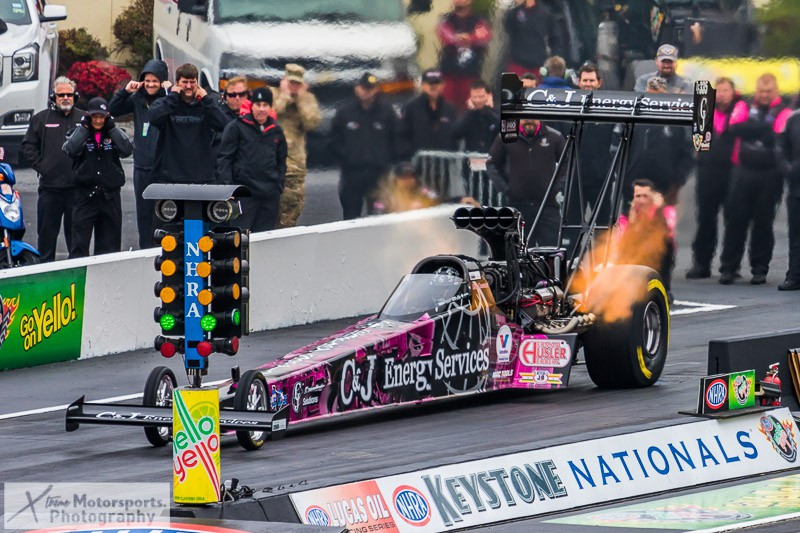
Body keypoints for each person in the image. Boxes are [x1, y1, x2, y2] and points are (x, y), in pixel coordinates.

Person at [719, 73, 792, 285]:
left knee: (763, 223)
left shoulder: (784, 111)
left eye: (768, 92)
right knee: (735, 220)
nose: (764, 95)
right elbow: (734, 127)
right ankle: (729, 268)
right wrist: (761, 129)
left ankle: (759, 269)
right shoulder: (745, 106)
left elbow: (777, 136)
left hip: (771, 174)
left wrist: (750, 130)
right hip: (743, 170)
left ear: (775, 91)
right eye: (761, 91)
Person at [687, 77, 749, 279]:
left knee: (735, 219)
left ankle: (730, 267)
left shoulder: (742, 110)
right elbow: (695, 139)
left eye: (725, 90)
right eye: (719, 90)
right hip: (708, 170)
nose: (721, 94)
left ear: (733, 92)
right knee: (705, 218)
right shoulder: (705, 110)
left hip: (734, 171)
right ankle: (701, 264)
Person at [21, 76, 84, 262]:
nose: (65, 98)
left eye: (69, 95)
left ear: (75, 96)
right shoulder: (41, 119)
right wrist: (43, 167)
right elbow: (28, 145)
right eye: (60, 95)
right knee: (46, 236)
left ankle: (76, 271)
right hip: (50, 189)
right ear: (53, 97)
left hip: (77, 189)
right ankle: (45, 271)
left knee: (77, 238)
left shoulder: (84, 119)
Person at [108, 59, 170, 249]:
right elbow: (113, 109)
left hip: (163, 168)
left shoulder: (168, 100)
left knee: (164, 214)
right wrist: (125, 91)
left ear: (162, 82)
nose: (151, 85)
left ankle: (165, 252)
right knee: (144, 215)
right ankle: (145, 251)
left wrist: (170, 92)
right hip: (142, 167)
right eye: (147, 80)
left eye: (155, 81)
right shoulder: (138, 100)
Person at [62, 97, 133, 258]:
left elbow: (127, 150)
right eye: (95, 117)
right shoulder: (78, 132)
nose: (99, 121)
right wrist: (84, 128)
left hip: (110, 195)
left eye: (102, 117)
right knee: (79, 245)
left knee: (109, 247)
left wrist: (112, 129)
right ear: (89, 116)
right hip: (85, 195)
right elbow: (70, 150)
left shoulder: (113, 132)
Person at [217, 88, 287, 232]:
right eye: (258, 104)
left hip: (269, 195)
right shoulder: (236, 127)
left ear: (270, 107)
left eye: (265, 105)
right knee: (240, 236)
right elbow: (225, 159)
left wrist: (278, 186)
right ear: (251, 105)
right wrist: (229, 189)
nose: (261, 109)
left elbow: (281, 161)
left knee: (265, 238)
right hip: (244, 194)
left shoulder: (276, 131)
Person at [486, 118, 566, 246]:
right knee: (519, 249)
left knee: (551, 249)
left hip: (547, 206)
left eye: (533, 117)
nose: (529, 121)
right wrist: (506, 189)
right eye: (525, 118)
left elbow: (567, 163)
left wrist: (556, 187)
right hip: (517, 206)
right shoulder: (506, 136)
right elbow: (492, 164)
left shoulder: (554, 136)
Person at [329, 73, 398, 220]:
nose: (367, 92)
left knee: (380, 216)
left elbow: (396, 137)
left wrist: (387, 158)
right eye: (364, 88)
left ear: (376, 90)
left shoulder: (386, 112)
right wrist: (346, 157)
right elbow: (334, 139)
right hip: (352, 173)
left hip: (379, 174)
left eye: (370, 88)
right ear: (357, 88)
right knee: (351, 216)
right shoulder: (345, 112)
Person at [148, 63, 229, 185]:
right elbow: (154, 118)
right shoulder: (165, 103)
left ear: (197, 83)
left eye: (192, 82)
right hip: (170, 177)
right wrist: (173, 97)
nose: (189, 86)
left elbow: (225, 126)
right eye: (185, 82)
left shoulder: (206, 105)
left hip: (201, 176)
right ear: (177, 83)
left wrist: (206, 100)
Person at [622, 77, 693, 206]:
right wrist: (624, 177)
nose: (654, 100)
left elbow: (687, 154)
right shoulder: (633, 119)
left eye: (659, 95)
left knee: (660, 219)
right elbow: (619, 149)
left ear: (665, 95)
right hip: (633, 186)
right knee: (630, 217)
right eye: (651, 95)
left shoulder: (676, 122)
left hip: (664, 188)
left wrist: (677, 180)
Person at [270, 64, 322, 228]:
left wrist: (301, 99)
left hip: (294, 164)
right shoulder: (272, 94)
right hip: (270, 161)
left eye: (297, 83)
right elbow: (268, 116)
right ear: (284, 81)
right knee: (269, 208)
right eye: (291, 83)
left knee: (291, 207)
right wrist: (285, 96)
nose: (294, 87)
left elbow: (312, 123)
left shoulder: (307, 99)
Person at [569, 64, 615, 228]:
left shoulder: (608, 107)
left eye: (591, 80)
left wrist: (611, 169)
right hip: (574, 178)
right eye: (585, 80)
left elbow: (617, 141)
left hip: (600, 178)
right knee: (571, 226)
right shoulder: (570, 105)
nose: (588, 84)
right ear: (578, 82)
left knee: (603, 227)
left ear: (599, 82)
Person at [615, 179, 676, 297]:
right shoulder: (626, 216)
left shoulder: (666, 211)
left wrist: (659, 211)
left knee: (664, 243)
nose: (642, 200)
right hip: (634, 255)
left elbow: (668, 234)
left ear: (653, 197)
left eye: (645, 196)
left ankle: (663, 288)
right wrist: (633, 219)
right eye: (638, 196)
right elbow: (621, 241)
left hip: (656, 254)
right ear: (633, 199)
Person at [436, 0, 492, 112]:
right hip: (449, 74)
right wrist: (460, 38)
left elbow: (485, 35)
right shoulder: (446, 19)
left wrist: (469, 38)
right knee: (447, 110)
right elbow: (444, 34)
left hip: (470, 74)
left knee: (469, 110)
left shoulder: (479, 20)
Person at [373, 161, 479, 214]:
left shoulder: (423, 192)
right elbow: (377, 214)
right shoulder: (386, 197)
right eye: (404, 177)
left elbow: (440, 200)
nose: (408, 180)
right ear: (396, 180)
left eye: (411, 176)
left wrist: (459, 200)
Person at [398, 69, 458, 161]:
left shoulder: (450, 109)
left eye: (436, 83)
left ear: (443, 85)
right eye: (430, 83)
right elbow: (401, 137)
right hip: (417, 164)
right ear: (422, 85)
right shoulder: (410, 108)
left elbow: (455, 137)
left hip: (444, 165)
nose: (433, 86)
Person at [503, 0, 560, 82]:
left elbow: (555, 39)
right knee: (511, 89)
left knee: (535, 89)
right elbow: (507, 27)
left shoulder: (545, 13)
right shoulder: (515, 12)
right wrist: (516, 7)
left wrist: (553, 60)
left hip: (537, 65)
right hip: (516, 62)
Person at [780, 108, 800, 290]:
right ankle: (794, 276)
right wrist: (788, 169)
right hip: (796, 189)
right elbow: (783, 149)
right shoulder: (794, 120)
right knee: (795, 236)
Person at [453, 79, 499, 153]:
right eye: (474, 97)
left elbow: (503, 128)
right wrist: (471, 111)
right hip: (472, 157)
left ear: (489, 96)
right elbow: (456, 133)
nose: (478, 100)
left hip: (492, 157)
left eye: (481, 97)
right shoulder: (469, 115)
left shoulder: (496, 113)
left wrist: (487, 110)